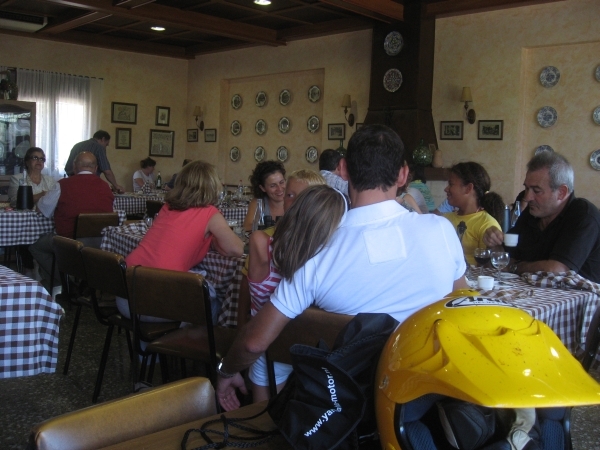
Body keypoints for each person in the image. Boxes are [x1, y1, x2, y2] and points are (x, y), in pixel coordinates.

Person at [216, 124, 467, 411]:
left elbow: (254, 343)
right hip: (425, 402)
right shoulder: (440, 230)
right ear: (403, 175)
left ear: (343, 170)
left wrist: (226, 370)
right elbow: (459, 305)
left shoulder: (318, 248)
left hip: (344, 407)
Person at [120, 160, 244, 321]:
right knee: (216, 303)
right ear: (213, 186)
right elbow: (237, 249)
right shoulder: (210, 213)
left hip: (125, 293)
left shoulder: (168, 207)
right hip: (152, 301)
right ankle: (189, 344)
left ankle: (150, 343)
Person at [243, 169, 327, 402]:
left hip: (302, 346)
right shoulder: (263, 243)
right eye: (289, 195)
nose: (292, 201)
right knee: (265, 419)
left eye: (301, 197)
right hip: (283, 347)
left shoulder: (332, 247)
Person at [483, 152, 600, 282]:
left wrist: (515, 266)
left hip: (581, 299)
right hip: (532, 294)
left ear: (561, 193)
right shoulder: (533, 213)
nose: (527, 198)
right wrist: (494, 245)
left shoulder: (583, 215)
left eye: (536, 191)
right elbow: (505, 259)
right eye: (526, 189)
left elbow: (557, 270)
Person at [30, 152, 115, 291]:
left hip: (69, 242)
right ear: (95, 168)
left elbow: (42, 209)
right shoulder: (106, 187)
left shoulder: (63, 185)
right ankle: (77, 280)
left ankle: (63, 282)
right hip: (101, 242)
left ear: (75, 166)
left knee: (35, 245)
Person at [442, 162, 504, 265]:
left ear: (468, 188)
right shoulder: (446, 219)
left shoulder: (487, 224)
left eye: (451, 184)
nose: (446, 189)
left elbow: (490, 267)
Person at [243, 161, 286, 232]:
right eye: (273, 186)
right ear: (263, 188)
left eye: (281, 182)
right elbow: (247, 227)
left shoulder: (295, 200)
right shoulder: (258, 202)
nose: (280, 189)